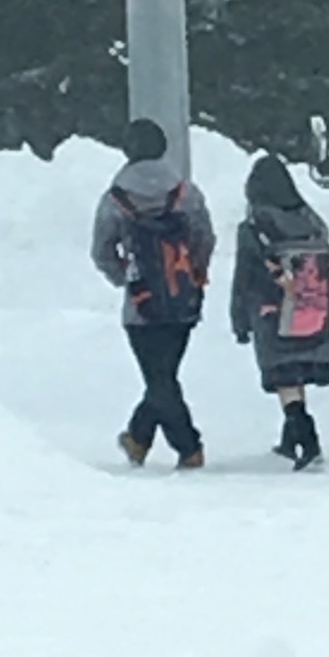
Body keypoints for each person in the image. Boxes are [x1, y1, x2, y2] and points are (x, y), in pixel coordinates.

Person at [92, 118, 215, 470]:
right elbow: (204, 237)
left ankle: (189, 447)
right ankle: (138, 438)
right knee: (164, 375)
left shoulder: (116, 199)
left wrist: (126, 279)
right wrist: (195, 273)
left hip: (141, 305)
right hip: (183, 301)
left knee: (159, 378)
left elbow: (101, 251)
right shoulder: (185, 192)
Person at [231, 155, 329, 470]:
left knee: (285, 378)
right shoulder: (311, 219)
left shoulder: (255, 227)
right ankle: (290, 441)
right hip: (314, 312)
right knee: (296, 373)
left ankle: (307, 439)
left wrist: (239, 320)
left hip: (272, 313)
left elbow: (244, 278)